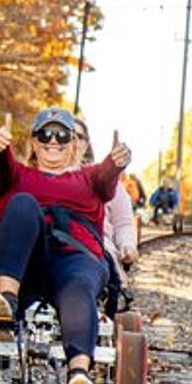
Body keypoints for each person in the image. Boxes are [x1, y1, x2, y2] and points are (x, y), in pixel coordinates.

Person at [0, 106, 131, 384]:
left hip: (74, 256)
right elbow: (3, 171)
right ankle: (6, 304)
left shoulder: (89, 179)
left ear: (75, 143)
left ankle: (78, 375)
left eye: (62, 135)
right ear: (34, 143)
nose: (53, 141)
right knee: (22, 202)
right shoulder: (19, 175)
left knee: (78, 284)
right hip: (27, 261)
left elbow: (105, 179)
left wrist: (115, 164)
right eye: (45, 134)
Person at [73, 118, 138, 285]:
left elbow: (123, 223)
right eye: (66, 135)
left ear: (86, 144)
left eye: (78, 137)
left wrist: (127, 245)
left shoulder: (104, 176)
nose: (72, 141)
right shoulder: (33, 175)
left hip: (98, 246)